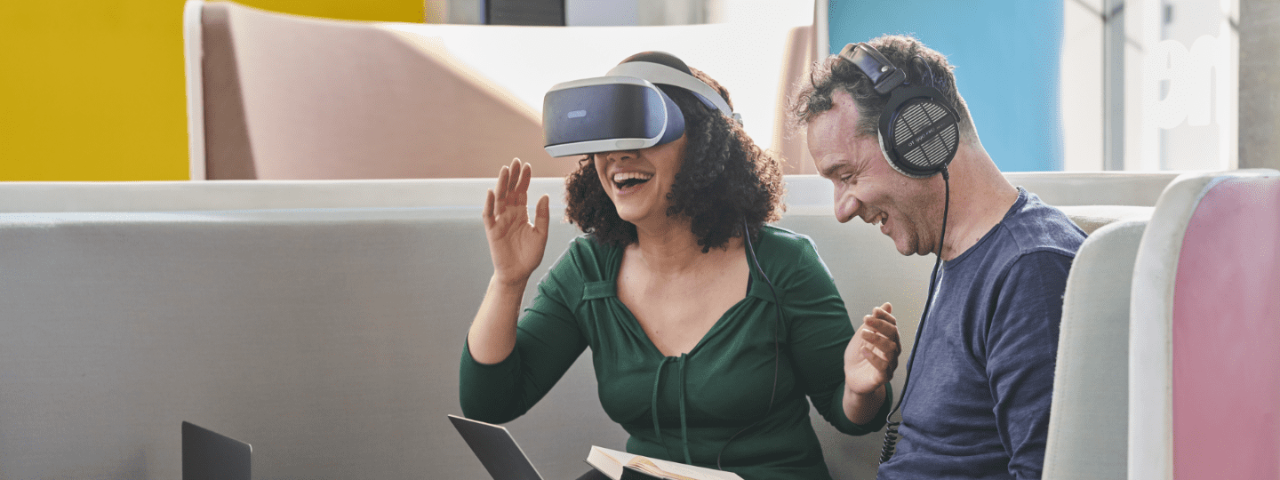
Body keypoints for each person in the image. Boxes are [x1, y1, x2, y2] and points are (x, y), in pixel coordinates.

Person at [460, 51, 901, 480]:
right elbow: (490, 403)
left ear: (705, 144)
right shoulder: (588, 269)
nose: (618, 156)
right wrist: (508, 280)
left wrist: (862, 389)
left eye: (640, 132)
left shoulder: (782, 264)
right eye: (605, 140)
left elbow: (852, 416)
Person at [791, 34, 1086, 479]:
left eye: (847, 175)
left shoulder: (1032, 270)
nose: (842, 209)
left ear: (917, 136)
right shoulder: (962, 256)